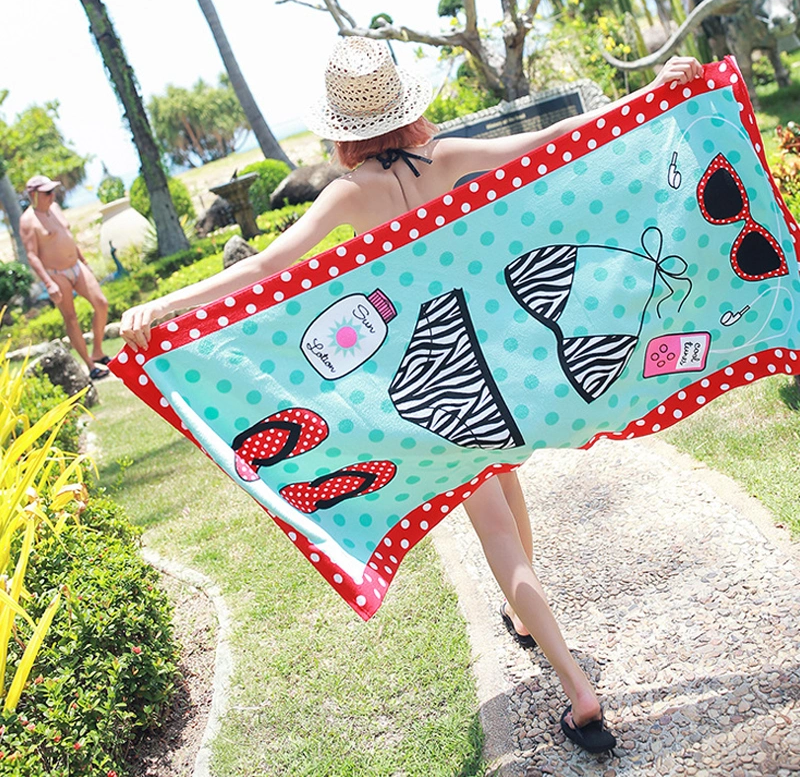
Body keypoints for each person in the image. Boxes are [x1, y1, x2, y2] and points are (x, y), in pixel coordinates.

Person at [121, 37, 703, 754]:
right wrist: (658, 91)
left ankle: (578, 689)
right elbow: (562, 137)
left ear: (341, 128)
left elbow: (268, 266)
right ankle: (524, 622)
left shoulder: (347, 193)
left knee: (496, 539)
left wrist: (170, 303)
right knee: (502, 481)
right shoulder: (449, 155)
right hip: (501, 353)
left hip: (440, 379)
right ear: (404, 108)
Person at [20, 175, 111, 380]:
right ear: (33, 195)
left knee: (101, 303)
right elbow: (32, 255)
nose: (52, 196)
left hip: (76, 266)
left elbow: (66, 236)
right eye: (47, 193)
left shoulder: (55, 208)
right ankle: (90, 364)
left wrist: (83, 261)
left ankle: (98, 351)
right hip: (56, 273)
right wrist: (48, 283)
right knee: (70, 318)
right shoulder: (28, 221)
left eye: (53, 191)